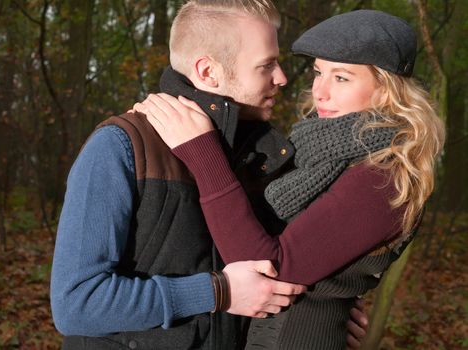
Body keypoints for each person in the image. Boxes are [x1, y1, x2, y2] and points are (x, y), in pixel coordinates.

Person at [51, 1, 368, 349]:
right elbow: (76, 304)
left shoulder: (265, 158)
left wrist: (322, 313)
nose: (282, 78)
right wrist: (218, 291)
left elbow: (273, 275)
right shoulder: (121, 146)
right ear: (207, 72)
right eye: (266, 65)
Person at [135, 9, 445, 350]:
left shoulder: (384, 178)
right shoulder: (320, 155)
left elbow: (265, 268)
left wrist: (203, 153)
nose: (320, 92)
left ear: (387, 90)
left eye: (341, 78)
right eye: (318, 73)